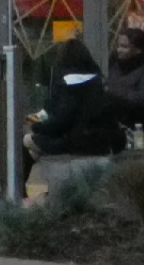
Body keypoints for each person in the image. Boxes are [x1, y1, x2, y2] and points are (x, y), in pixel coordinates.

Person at [21, 35, 123, 181]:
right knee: (34, 149)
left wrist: (35, 125)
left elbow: (59, 119)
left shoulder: (68, 84)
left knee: (26, 140)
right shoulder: (97, 82)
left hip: (76, 142)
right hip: (99, 142)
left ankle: (19, 188)